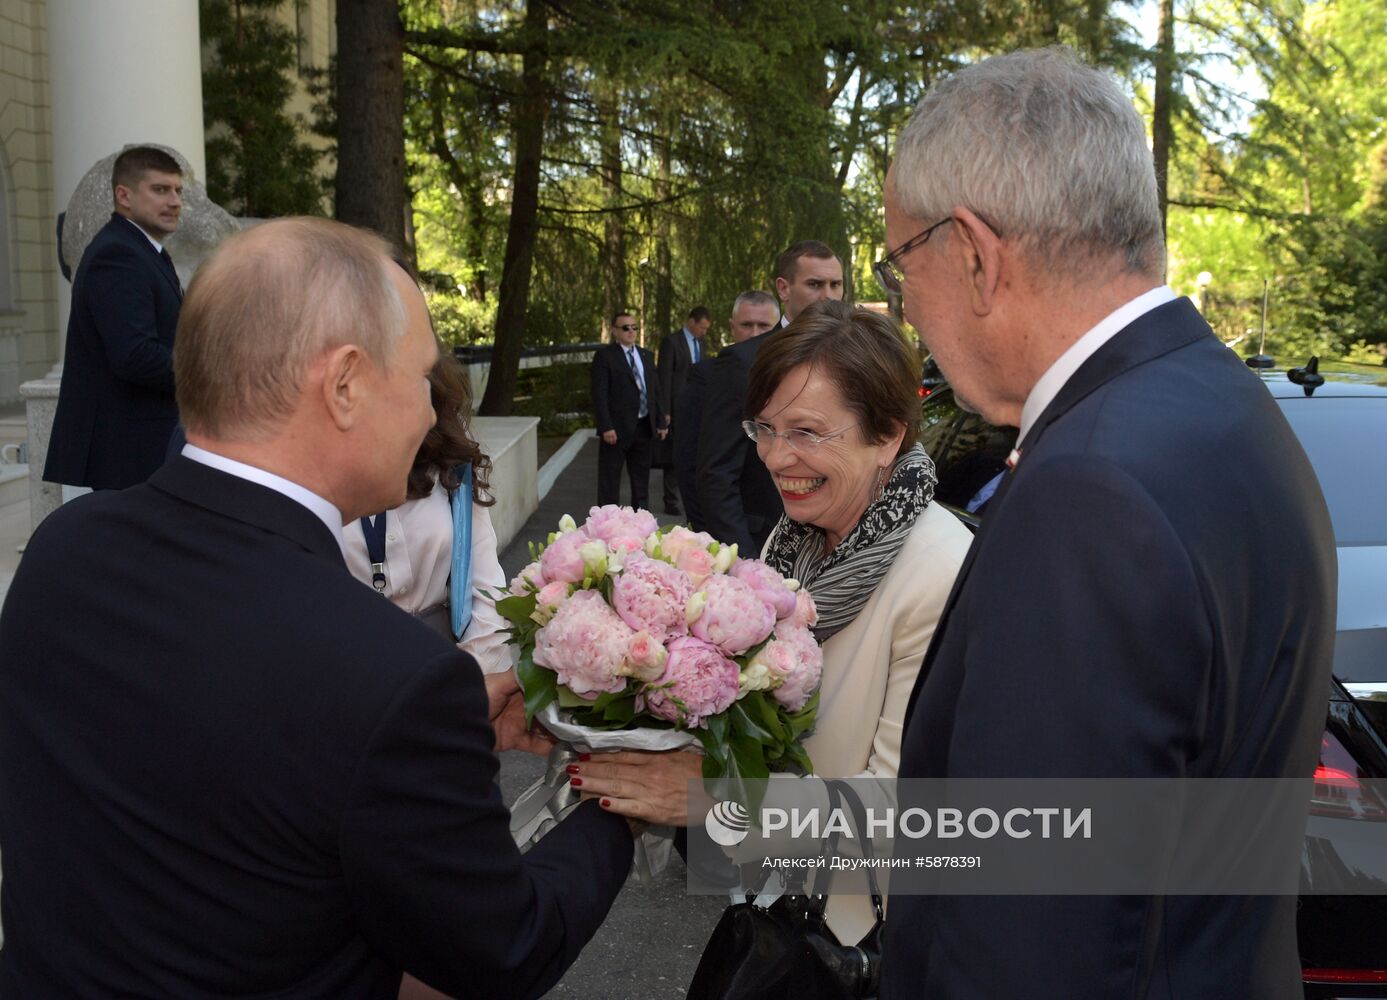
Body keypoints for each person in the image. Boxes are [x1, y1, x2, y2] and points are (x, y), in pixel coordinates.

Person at [0, 218, 633, 997]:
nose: (431, 416)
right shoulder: (390, 675)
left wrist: (440, 726)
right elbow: (504, 949)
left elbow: (214, 759)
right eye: (420, 379)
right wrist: (618, 811)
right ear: (344, 385)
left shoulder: (66, 549)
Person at [878, 49, 1335, 998]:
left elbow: (1029, 942)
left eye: (897, 262)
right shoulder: (1219, 405)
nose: (901, 302)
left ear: (972, 251)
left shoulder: (1088, 487)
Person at [572, 299, 973, 945]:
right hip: (789, 902)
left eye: (808, 432)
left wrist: (710, 800)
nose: (775, 457)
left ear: (888, 436)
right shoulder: (793, 543)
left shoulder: (940, 576)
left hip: (869, 936)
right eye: (763, 428)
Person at [341, 352, 509, 674]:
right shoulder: (311, 442)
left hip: (445, 664)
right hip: (348, 675)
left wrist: (474, 688)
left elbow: (484, 584)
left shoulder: (446, 434)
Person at [45, 145, 185, 489]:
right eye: (160, 190)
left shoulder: (143, 251)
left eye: (178, 191)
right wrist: (207, 372)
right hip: (129, 448)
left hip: (142, 443)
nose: (175, 202)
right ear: (124, 195)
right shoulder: (119, 254)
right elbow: (134, 356)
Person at [698, 241, 843, 553]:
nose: (828, 296)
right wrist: (745, 566)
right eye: (815, 284)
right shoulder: (743, 362)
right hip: (765, 545)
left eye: (836, 284)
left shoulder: (856, 356)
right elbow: (716, 475)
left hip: (843, 550)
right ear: (784, 288)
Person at [675, 291, 780, 532]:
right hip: (738, 531)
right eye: (746, 325)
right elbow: (689, 463)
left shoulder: (792, 376)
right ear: (732, 327)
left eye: (764, 326)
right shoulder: (706, 376)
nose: (754, 333)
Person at [591, 310, 666, 509]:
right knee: (610, 481)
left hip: (644, 427)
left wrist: (660, 422)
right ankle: (607, 524)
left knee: (641, 482)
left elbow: (655, 392)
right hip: (616, 430)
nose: (631, 331)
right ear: (615, 331)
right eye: (626, 328)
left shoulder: (646, 355)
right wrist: (606, 426)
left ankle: (640, 524)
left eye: (635, 327)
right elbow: (599, 394)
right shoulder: (605, 357)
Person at [655, 306, 712, 515]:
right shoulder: (671, 343)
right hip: (676, 409)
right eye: (702, 327)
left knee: (693, 453)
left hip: (697, 408)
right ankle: (671, 501)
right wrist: (665, 411)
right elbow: (664, 378)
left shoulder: (701, 343)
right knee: (673, 456)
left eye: (706, 329)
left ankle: (692, 496)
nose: (704, 332)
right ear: (691, 322)